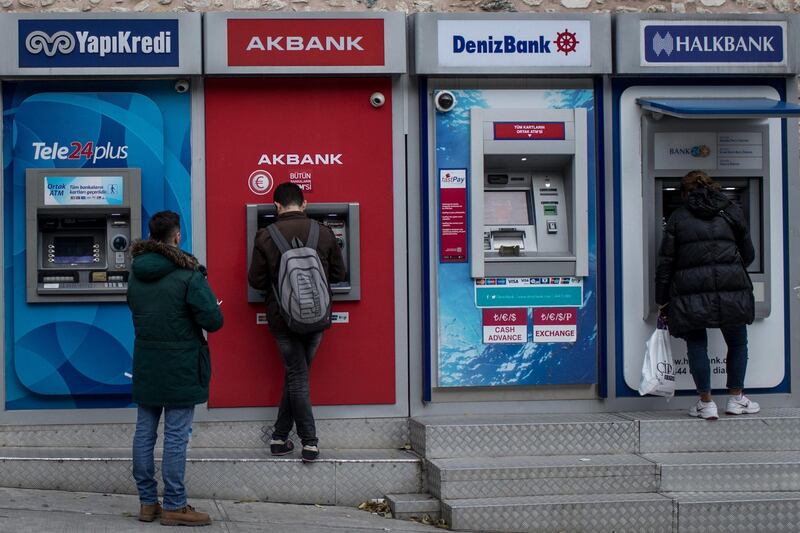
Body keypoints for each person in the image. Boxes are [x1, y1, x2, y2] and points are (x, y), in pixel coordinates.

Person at [127, 211, 223, 526]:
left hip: (147, 361)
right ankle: (175, 504)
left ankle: (147, 503)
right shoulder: (189, 275)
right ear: (177, 237)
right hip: (181, 365)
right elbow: (213, 321)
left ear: (152, 237)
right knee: (176, 435)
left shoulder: (135, 273)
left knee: (144, 432)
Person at [248, 183, 346, 462]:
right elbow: (340, 274)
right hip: (317, 317)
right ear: (304, 204)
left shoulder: (266, 235)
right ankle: (291, 439)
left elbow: (255, 281)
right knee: (298, 377)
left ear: (276, 206)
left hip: (283, 319)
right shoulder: (325, 233)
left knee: (296, 377)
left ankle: (297, 440)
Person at [655, 170, 759, 420]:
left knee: (696, 344)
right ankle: (736, 399)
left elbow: (666, 262)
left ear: (683, 193)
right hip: (731, 287)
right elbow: (749, 254)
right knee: (737, 342)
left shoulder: (678, 217)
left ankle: (706, 402)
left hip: (690, 290)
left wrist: (662, 298)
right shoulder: (731, 210)